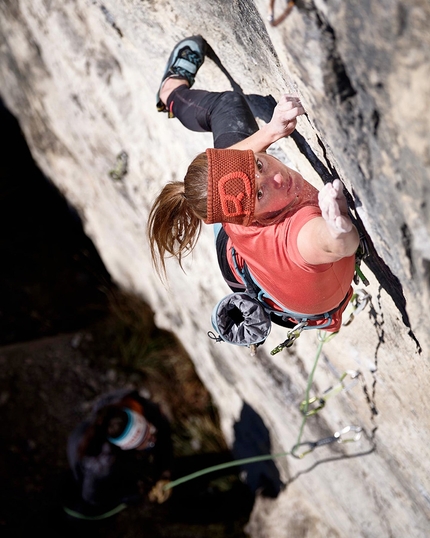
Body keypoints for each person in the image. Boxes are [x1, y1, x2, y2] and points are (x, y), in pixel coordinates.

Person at [149, 35, 360, 333]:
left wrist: (272, 131)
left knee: (230, 116)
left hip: (248, 265)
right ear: (249, 219)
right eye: (261, 193)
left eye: (259, 163)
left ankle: (169, 93)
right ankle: (171, 91)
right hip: (262, 273)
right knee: (227, 109)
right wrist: (338, 227)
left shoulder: (241, 204)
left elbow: (246, 174)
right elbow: (334, 243)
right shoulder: (297, 235)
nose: (277, 178)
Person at [63, 389, 173, 518]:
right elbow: (92, 496)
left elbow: (162, 427)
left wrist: (165, 471)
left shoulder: (134, 405)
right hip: (80, 460)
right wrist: (138, 493)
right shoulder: (102, 466)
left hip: (85, 436)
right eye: (146, 441)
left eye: (150, 429)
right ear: (126, 448)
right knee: (84, 504)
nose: (153, 437)